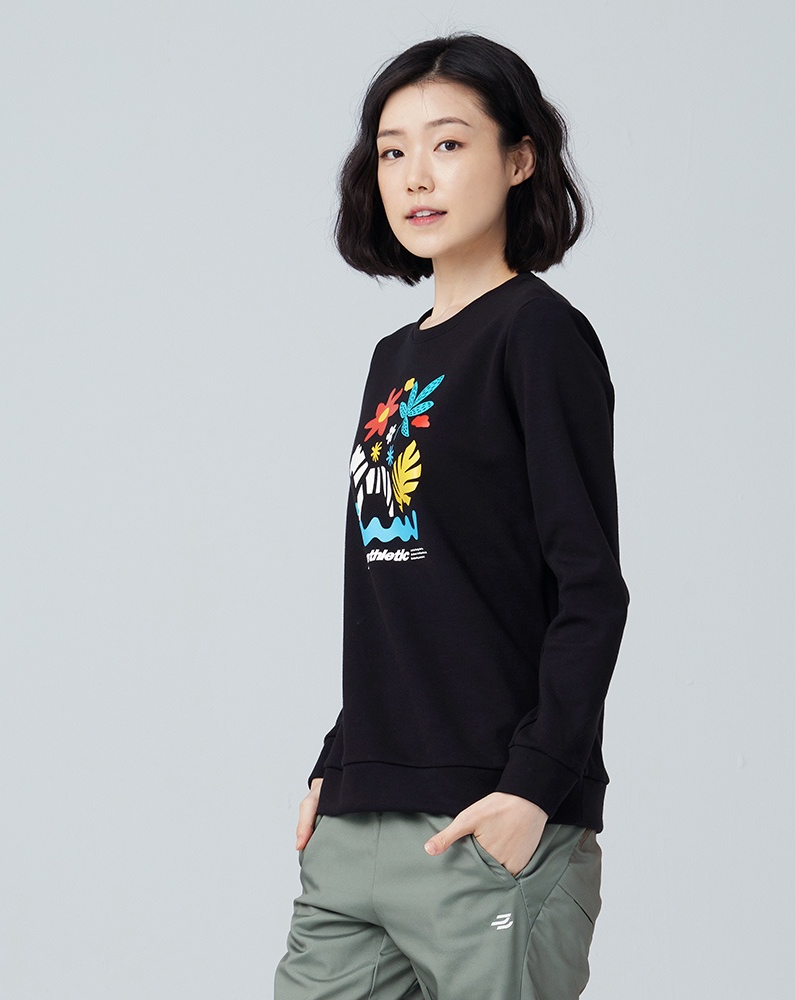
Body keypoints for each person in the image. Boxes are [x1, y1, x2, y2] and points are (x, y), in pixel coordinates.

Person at [274, 32, 629, 1000]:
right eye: (392, 150)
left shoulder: (539, 336)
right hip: (361, 815)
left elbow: (589, 588)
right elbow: (402, 596)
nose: (415, 176)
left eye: (448, 143)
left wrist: (533, 787)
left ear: (519, 160)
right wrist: (339, 760)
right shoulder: (393, 357)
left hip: (488, 818)